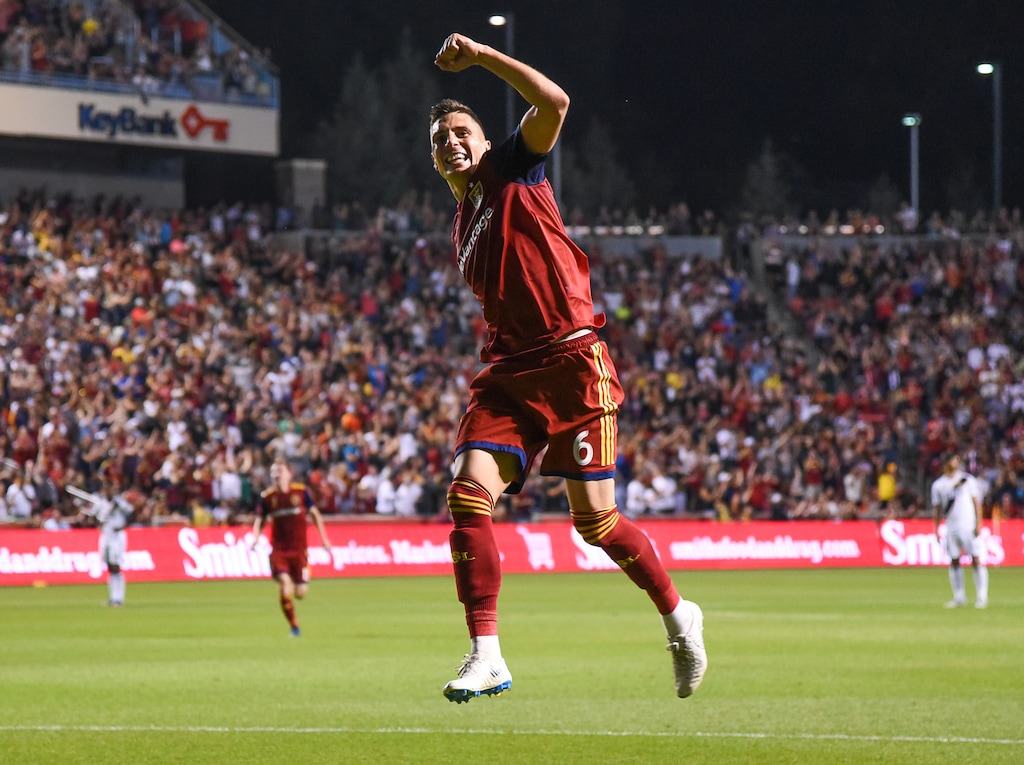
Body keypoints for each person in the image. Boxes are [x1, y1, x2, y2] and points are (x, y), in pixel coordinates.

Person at [428, 32, 706, 704]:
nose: (452, 142)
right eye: (440, 140)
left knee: (597, 524)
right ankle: (487, 654)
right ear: (434, 161)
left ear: (485, 143)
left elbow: (555, 101)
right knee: (466, 495)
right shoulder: (462, 225)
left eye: (462, 132)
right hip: (509, 374)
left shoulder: (511, 170)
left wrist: (483, 58)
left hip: (573, 360)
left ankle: (680, 617)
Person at [250, 458, 332, 636]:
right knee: (285, 584)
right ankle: (294, 627)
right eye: (273, 472)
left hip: (299, 551)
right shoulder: (268, 497)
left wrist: (324, 539)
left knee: (300, 593)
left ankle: (301, 575)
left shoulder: (301, 493)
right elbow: (260, 520)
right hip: (279, 551)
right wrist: (255, 538)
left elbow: (315, 515)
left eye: (280, 471)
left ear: (289, 474)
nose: (276, 475)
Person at [931, 452, 988, 609]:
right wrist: (936, 529)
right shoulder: (938, 485)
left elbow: (976, 503)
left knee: (975, 559)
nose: (956, 462)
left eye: (957, 460)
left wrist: (979, 524)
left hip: (968, 525)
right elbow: (937, 509)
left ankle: (982, 596)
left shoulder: (967, 480)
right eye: (953, 459)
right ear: (945, 463)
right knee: (954, 561)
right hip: (951, 527)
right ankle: (959, 596)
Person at [92, 483, 138, 607]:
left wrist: (124, 525)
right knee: (109, 566)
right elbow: (93, 517)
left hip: (117, 535)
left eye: (111, 489)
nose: (109, 492)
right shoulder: (100, 503)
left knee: (116, 566)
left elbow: (132, 513)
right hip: (105, 535)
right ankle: (113, 597)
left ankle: (119, 598)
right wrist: (99, 522)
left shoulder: (119, 503)